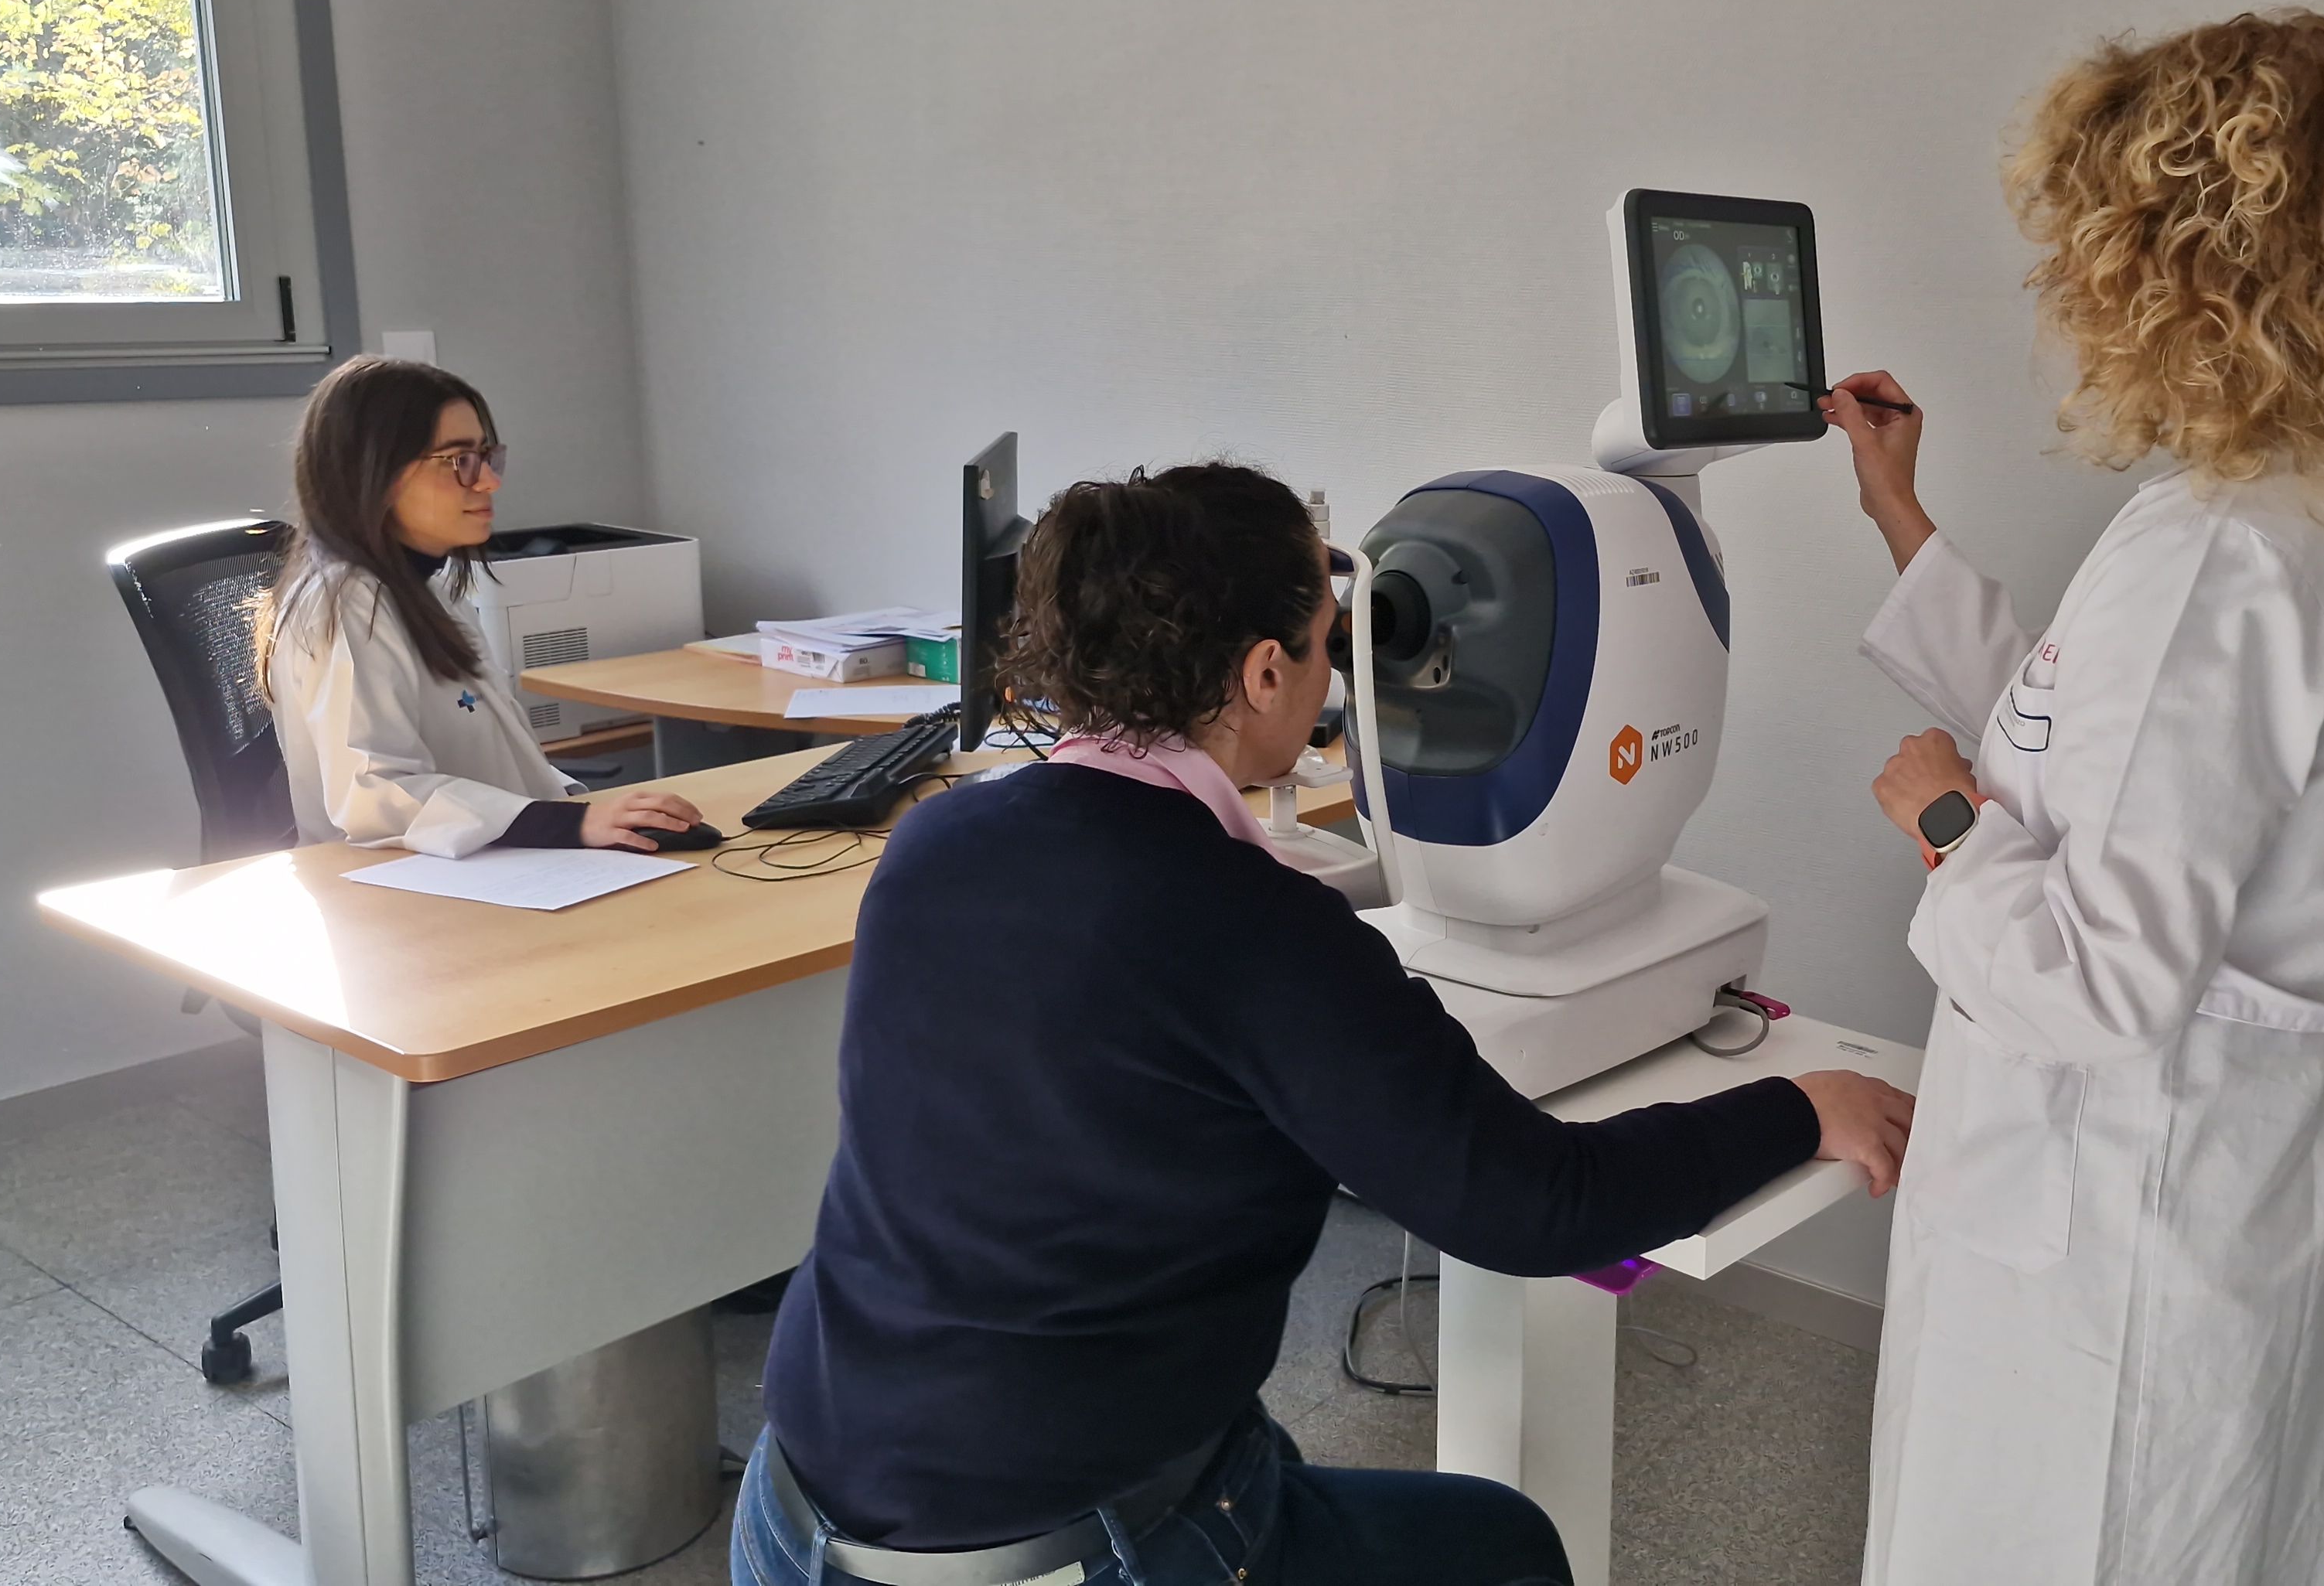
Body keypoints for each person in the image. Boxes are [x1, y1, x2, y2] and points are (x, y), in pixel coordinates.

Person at [733, 462, 1917, 1586]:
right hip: (1053, 1550)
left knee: (1262, 1456)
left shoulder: (938, 841)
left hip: (796, 1508)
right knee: (1504, 1542)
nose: (1342, 664)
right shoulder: (1257, 928)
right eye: (1327, 636)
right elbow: (1533, 1204)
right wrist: (1796, 1108)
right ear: (1264, 673)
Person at [1820, 11, 2324, 1584]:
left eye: (2087, 242)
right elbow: (2103, 743)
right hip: (2250, 1176)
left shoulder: (2226, 550)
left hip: (2127, 1195)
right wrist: (1898, 513)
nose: (2062, 285)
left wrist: (1944, 825)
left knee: (2067, 1530)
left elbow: (2097, 973)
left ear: (2176, 262)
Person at [258, 356, 701, 855]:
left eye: (488, 457)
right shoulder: (348, 606)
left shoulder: (428, 588)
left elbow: (495, 767)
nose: (489, 481)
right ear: (371, 471)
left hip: (483, 869)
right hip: (397, 888)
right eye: (459, 461)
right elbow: (376, 794)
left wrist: (584, 814)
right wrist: (569, 824)